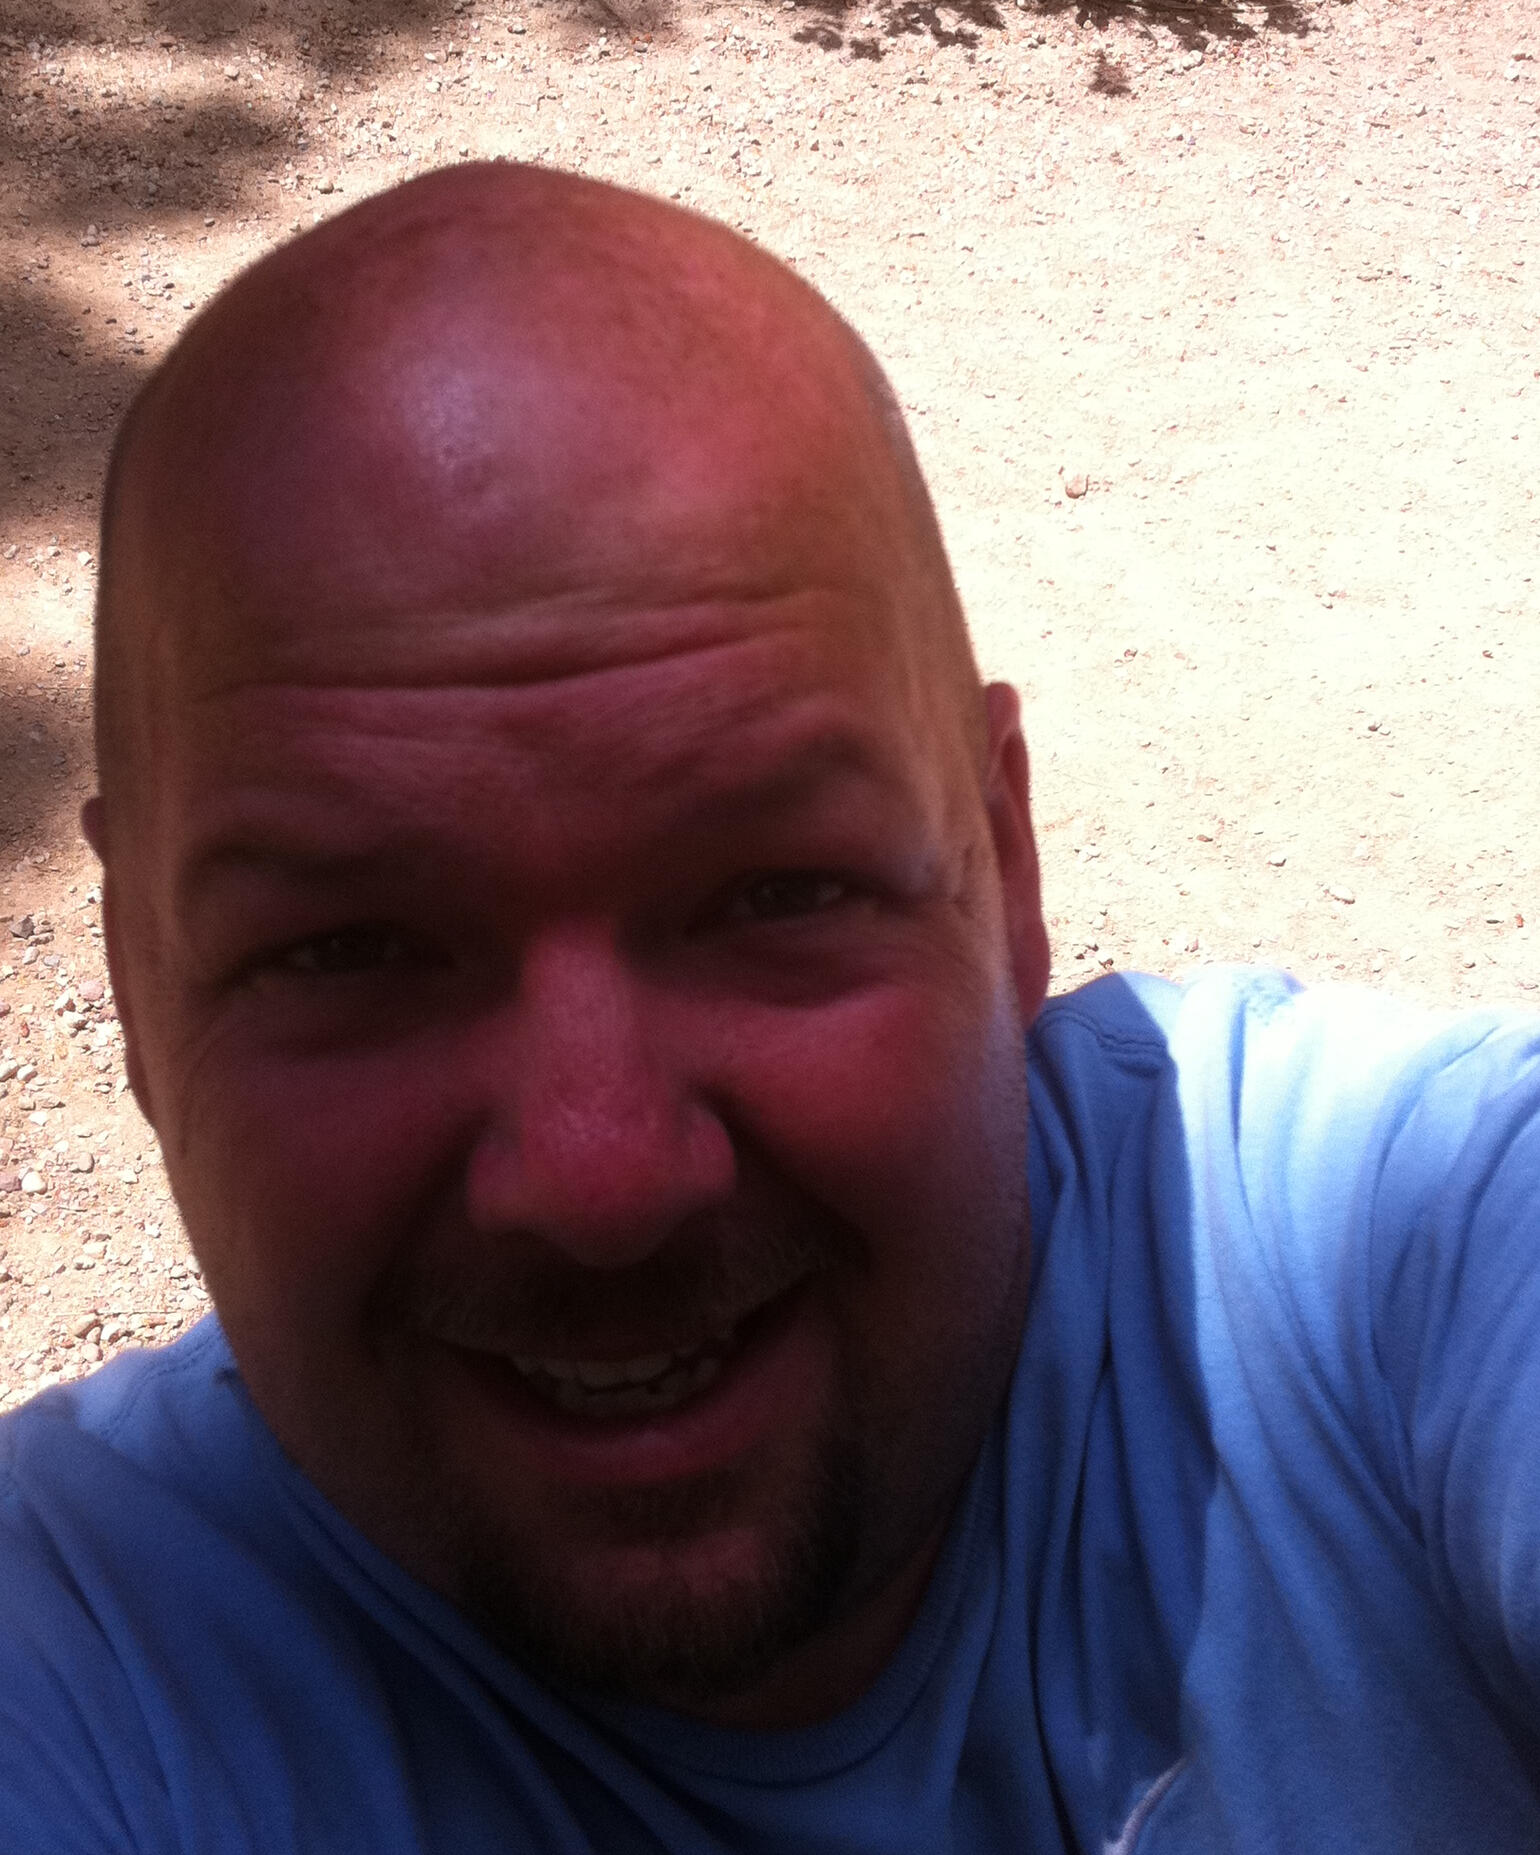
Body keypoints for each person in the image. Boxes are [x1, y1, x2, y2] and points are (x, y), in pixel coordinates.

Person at [1, 162, 1537, 1853]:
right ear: (137, 989)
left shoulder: (1407, 1258)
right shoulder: (66, 1660)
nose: (600, 1180)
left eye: (779, 894)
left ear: (1005, 868)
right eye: (347, 950)